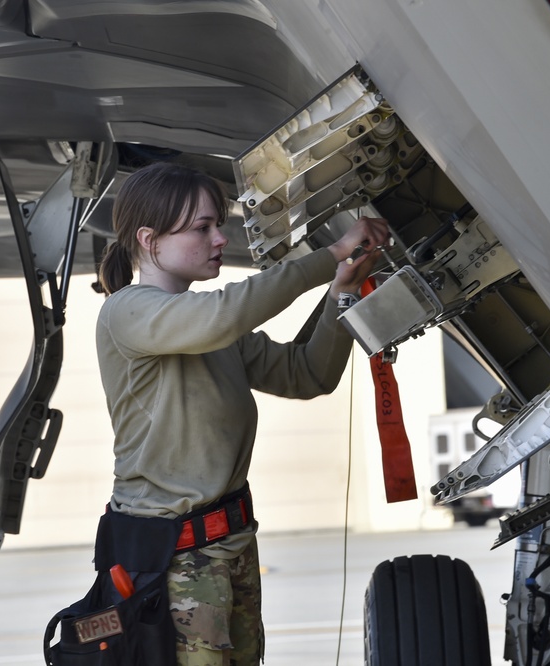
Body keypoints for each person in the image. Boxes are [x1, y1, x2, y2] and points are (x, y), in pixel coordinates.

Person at [95, 162, 388, 666]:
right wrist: (330, 254)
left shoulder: (208, 328)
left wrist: (340, 294)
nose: (219, 239)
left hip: (229, 545)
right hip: (173, 559)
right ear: (149, 240)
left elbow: (306, 375)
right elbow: (221, 316)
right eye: (202, 228)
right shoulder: (129, 311)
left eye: (219, 225)